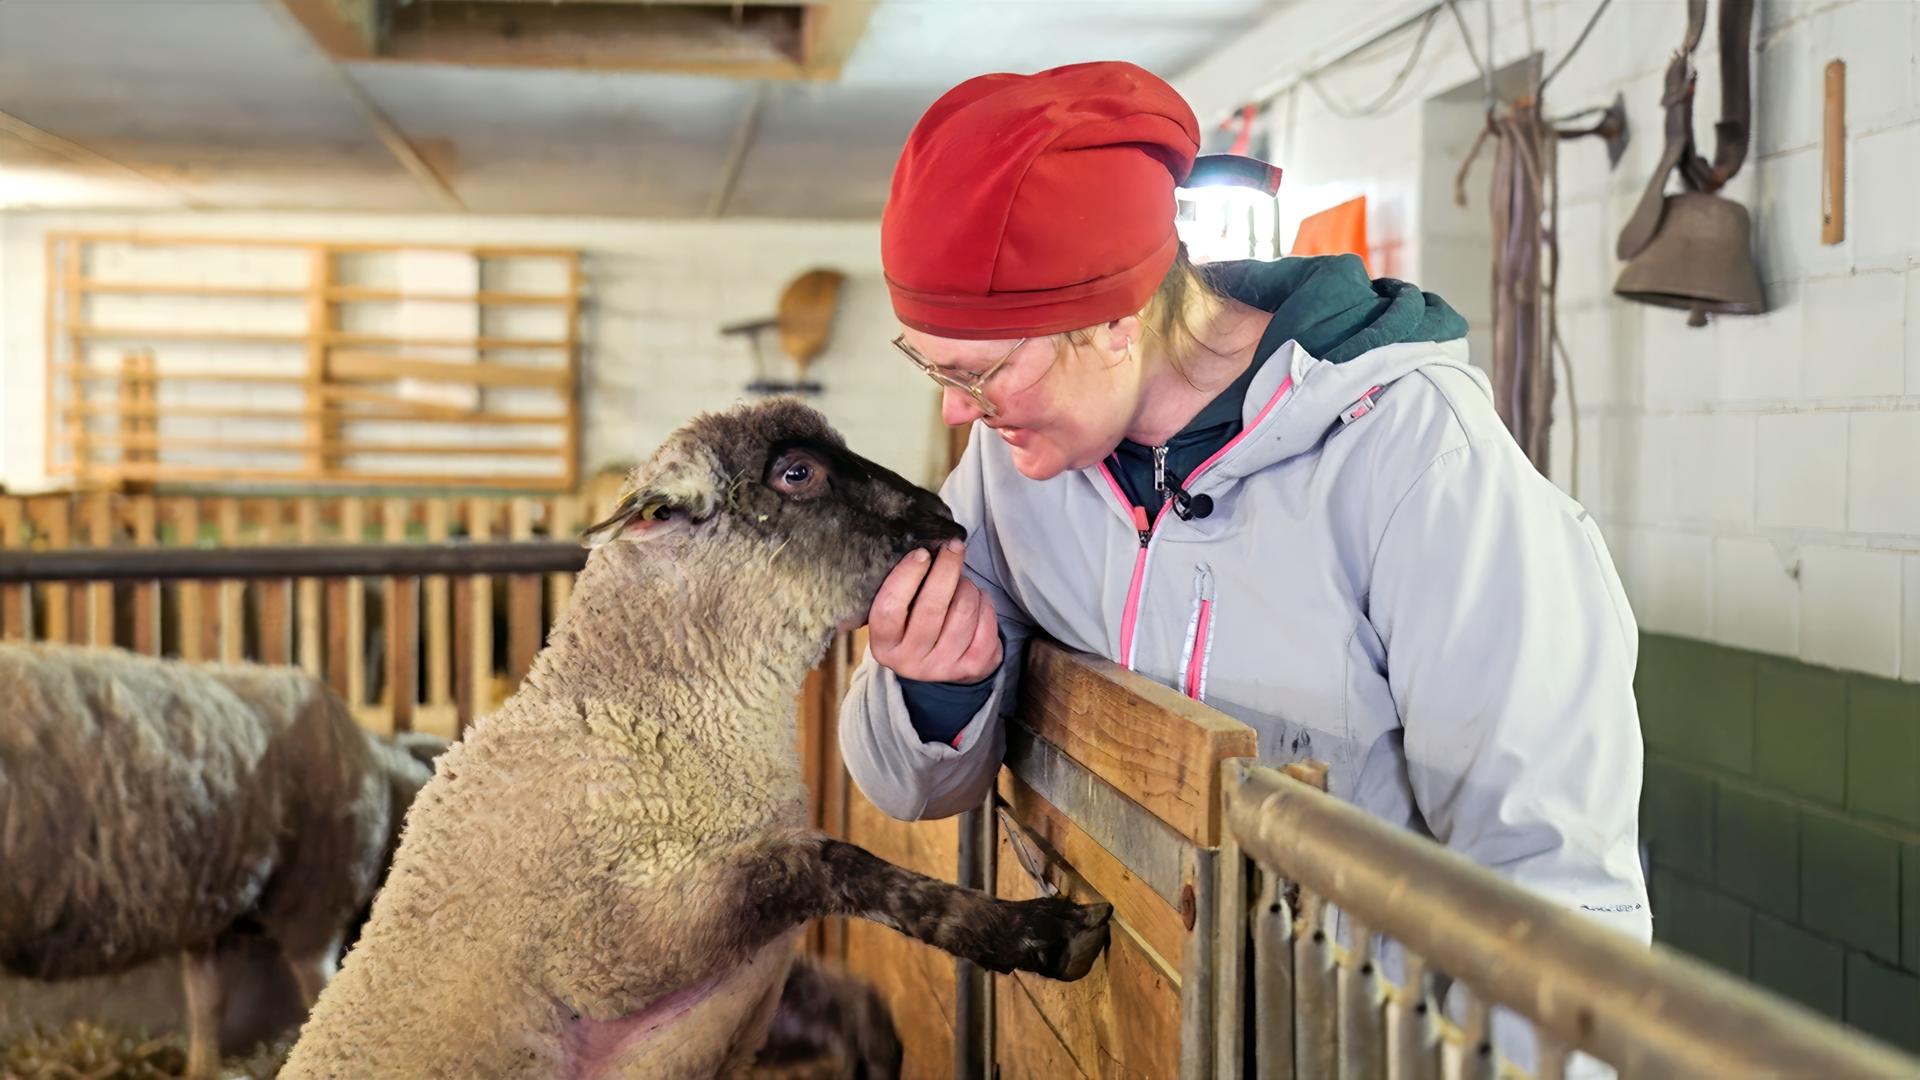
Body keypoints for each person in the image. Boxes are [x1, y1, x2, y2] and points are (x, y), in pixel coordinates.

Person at [839, 61, 1651, 958]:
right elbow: (906, 786)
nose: (956, 411)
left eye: (978, 373)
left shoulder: (1418, 461)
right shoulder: (1009, 470)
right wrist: (930, 691)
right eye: (932, 366)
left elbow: (1552, 887)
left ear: (1117, 318)